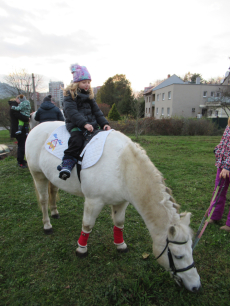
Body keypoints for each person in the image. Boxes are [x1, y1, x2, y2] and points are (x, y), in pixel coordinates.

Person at [58, 63, 111, 180]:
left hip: (91, 126)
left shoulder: (89, 96)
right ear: (77, 83)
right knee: (76, 140)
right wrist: (84, 124)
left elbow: (97, 112)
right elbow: (71, 112)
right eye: (84, 82)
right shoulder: (69, 95)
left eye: (88, 82)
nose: (87, 85)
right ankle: (67, 163)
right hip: (76, 125)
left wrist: (104, 124)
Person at [208, 118, 230, 232]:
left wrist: (227, 167)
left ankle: (229, 224)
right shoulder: (228, 126)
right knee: (218, 191)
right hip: (222, 166)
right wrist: (218, 149)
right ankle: (214, 215)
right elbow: (225, 142)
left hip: (227, 167)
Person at [8, 97, 29, 168]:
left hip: (17, 129)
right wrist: (27, 118)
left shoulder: (13, 106)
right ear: (17, 100)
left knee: (21, 145)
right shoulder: (15, 107)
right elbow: (19, 116)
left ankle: (21, 160)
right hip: (18, 130)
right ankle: (20, 162)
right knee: (21, 146)